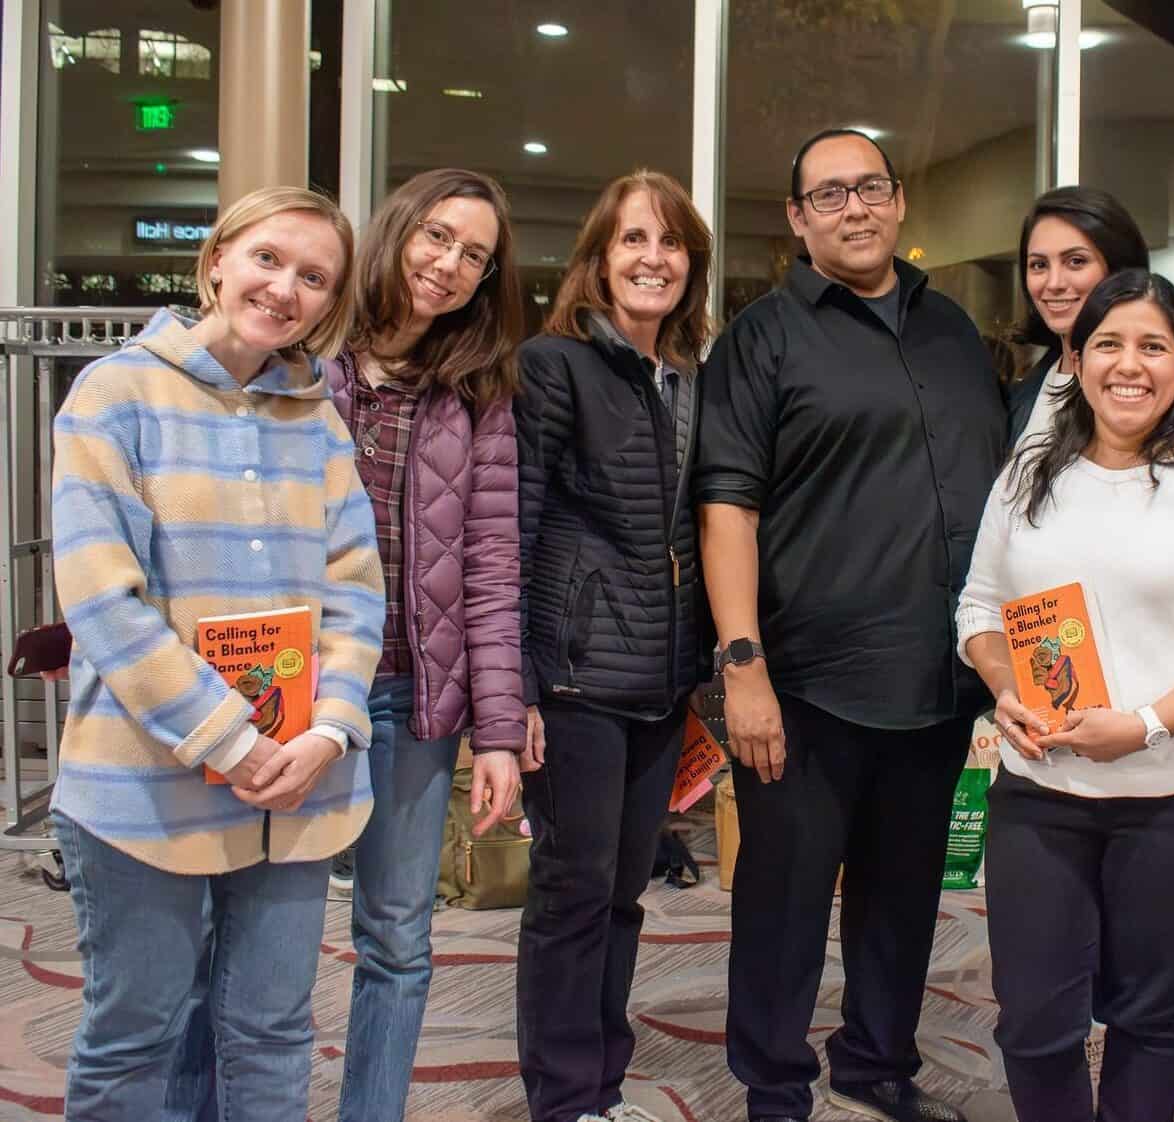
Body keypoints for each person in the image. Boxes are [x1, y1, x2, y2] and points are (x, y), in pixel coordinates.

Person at [47, 186, 383, 1120]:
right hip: (142, 787)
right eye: (269, 259)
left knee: (273, 1034)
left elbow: (356, 593)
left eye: (314, 279)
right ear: (219, 259)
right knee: (137, 1036)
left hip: (297, 785)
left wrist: (328, 732)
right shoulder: (114, 396)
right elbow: (105, 604)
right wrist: (233, 743)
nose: (285, 289)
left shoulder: (317, 423)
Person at [695, 127, 1004, 1122]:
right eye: (829, 195)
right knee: (783, 903)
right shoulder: (761, 340)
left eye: (869, 187)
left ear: (899, 199)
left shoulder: (956, 332)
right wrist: (741, 666)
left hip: (935, 680)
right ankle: (774, 1084)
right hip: (804, 682)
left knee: (904, 895)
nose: (854, 208)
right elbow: (726, 506)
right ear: (797, 218)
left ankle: (877, 1062)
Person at [957, 268, 1174, 1122]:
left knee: (1147, 1018)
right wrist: (1004, 687)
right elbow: (978, 605)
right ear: (1077, 357)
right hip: (1042, 793)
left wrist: (1140, 726)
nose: (1128, 365)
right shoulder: (1030, 474)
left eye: (1152, 346)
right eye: (1108, 343)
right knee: (1032, 1025)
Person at [324, 167, 526, 1121]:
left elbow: (490, 571)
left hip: (411, 696)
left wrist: (495, 732)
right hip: (294, 691)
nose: (449, 265)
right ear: (398, 229)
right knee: (241, 930)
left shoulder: (476, 393)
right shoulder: (305, 355)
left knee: (397, 936)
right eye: (437, 237)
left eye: (474, 256)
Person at [514, 169, 713, 1122]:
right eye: (632, 239)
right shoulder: (553, 365)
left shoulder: (688, 379)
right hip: (575, 676)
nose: (653, 258)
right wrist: (511, 686)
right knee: (572, 893)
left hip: (662, 681)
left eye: (670, 242)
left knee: (626, 895)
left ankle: (601, 1087)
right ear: (597, 259)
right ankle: (561, 1101)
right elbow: (509, 524)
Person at [1008, 186, 1174, 466]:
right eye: (1038, 265)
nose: (1053, 283)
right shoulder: (1025, 392)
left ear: (1119, 269)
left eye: (1076, 261)